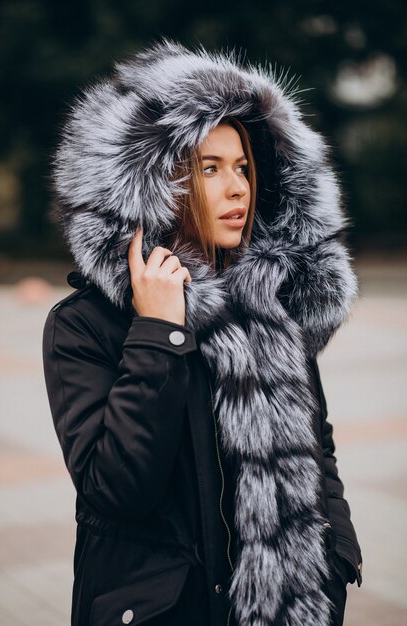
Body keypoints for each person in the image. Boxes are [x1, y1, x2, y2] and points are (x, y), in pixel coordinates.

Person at [43, 38, 363, 626]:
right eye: (209, 169)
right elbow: (114, 490)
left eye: (243, 167)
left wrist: (335, 557)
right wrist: (157, 333)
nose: (238, 188)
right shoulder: (86, 325)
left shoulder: (264, 306)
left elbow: (316, 446)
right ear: (150, 185)